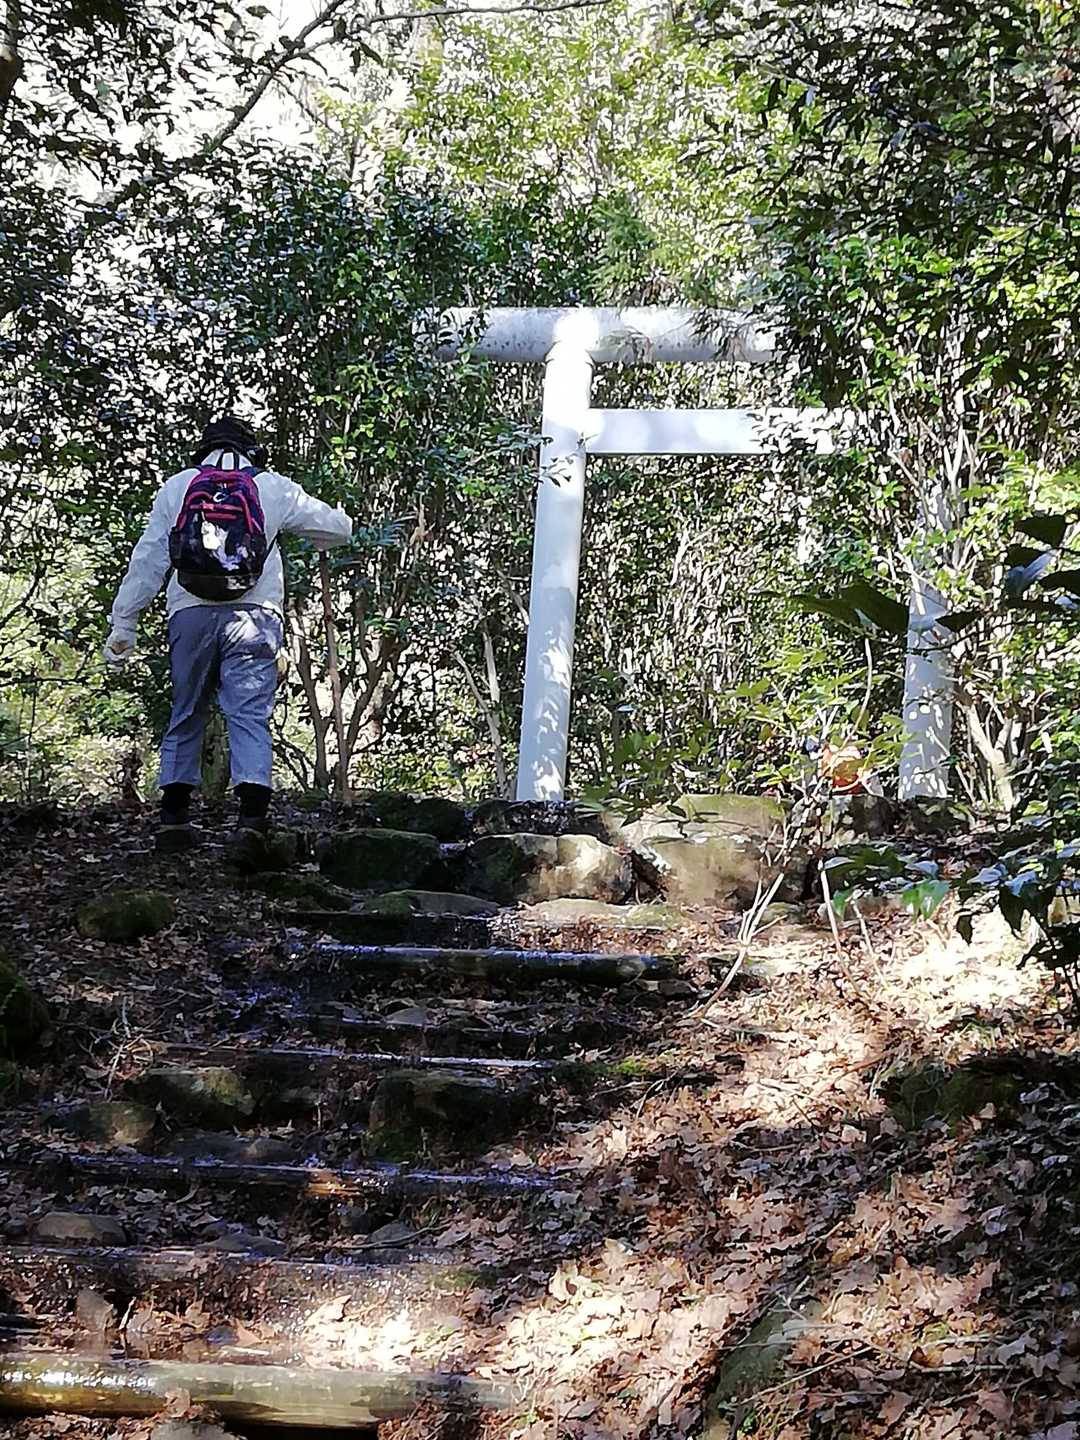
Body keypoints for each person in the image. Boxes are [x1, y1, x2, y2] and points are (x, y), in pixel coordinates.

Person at [104, 415, 353, 850]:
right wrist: (339, 520)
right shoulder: (272, 486)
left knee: (186, 710)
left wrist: (124, 622)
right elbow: (337, 530)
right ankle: (251, 820)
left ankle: (174, 819)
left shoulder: (179, 487)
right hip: (255, 616)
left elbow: (148, 560)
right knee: (249, 713)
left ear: (204, 450)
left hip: (189, 612)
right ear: (250, 449)